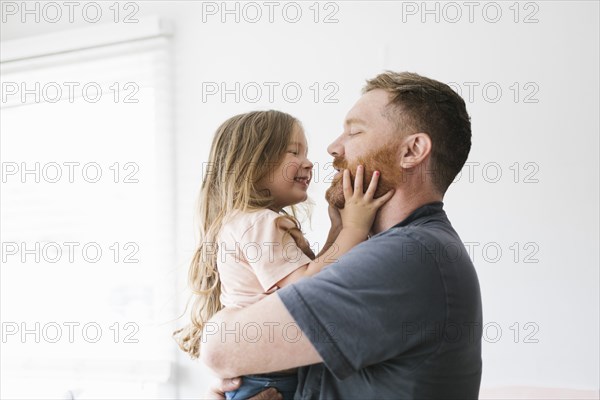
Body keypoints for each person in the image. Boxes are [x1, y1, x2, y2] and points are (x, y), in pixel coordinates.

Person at [201, 71, 483, 399]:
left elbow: (218, 352)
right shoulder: (404, 249)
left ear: (412, 151)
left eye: (353, 132)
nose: (333, 149)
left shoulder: (407, 257)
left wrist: (225, 326)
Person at [172, 110, 394, 399]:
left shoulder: (247, 221)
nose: (309, 162)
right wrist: (353, 229)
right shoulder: (259, 223)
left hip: (260, 376)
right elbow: (305, 289)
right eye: (294, 152)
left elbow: (309, 276)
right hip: (269, 380)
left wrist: (337, 232)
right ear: (253, 163)